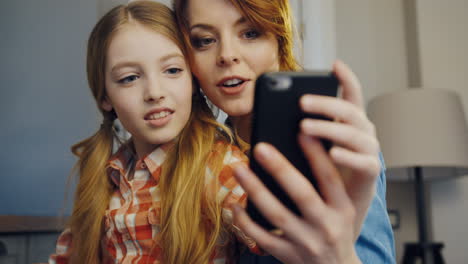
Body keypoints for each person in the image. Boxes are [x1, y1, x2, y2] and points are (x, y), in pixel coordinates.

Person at [173, 0, 396, 263]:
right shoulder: (199, 158)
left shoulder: (334, 144)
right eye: (205, 40)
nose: (227, 55)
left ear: (280, 40)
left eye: (250, 33)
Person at [49, 1, 261, 263]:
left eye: (172, 70)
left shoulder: (218, 166)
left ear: (192, 81)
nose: (154, 93)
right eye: (129, 78)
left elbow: (280, 235)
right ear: (105, 97)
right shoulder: (107, 175)